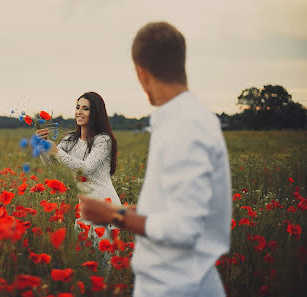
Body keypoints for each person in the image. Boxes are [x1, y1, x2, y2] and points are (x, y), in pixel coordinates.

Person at [79, 22, 232, 297]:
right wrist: (142, 211)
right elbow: (182, 210)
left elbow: (185, 229)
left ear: (142, 72)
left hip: (177, 286)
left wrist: (114, 215)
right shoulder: (187, 118)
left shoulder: (185, 126)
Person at [36, 92, 122, 240]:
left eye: (85, 108)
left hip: (105, 205)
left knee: (105, 259)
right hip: (85, 207)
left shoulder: (103, 140)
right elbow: (51, 164)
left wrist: (55, 151)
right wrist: (42, 147)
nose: (79, 112)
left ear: (95, 113)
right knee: (85, 256)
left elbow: (86, 169)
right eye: (77, 107)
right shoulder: (70, 139)